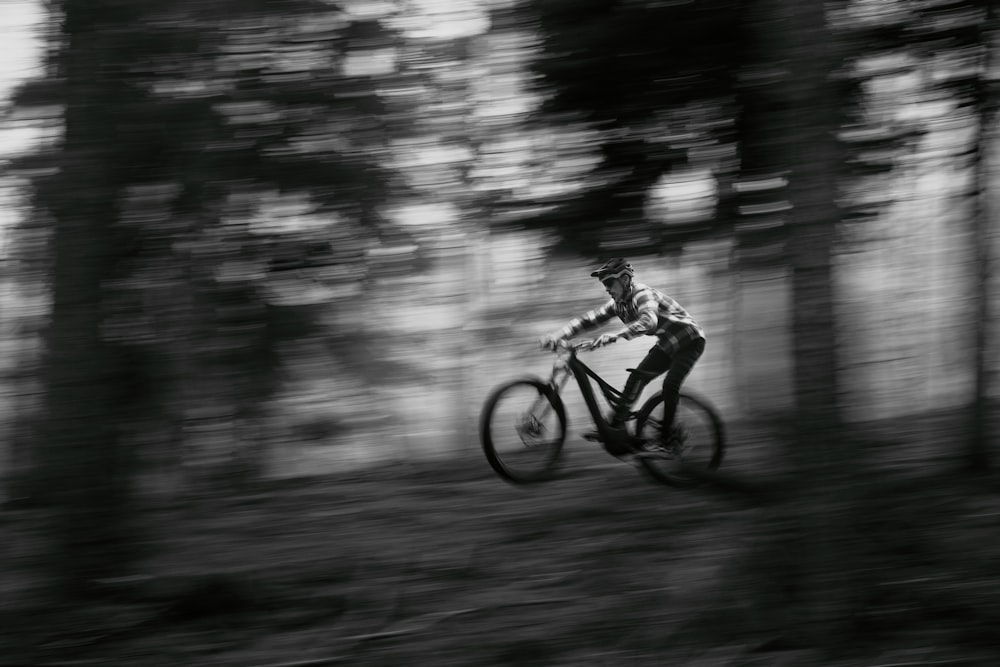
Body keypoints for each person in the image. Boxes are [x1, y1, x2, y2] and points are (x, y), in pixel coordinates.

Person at [541, 258, 705, 447]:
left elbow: (648, 321)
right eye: (604, 284)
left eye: (609, 283)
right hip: (668, 344)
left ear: (625, 280)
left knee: (670, 384)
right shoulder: (618, 304)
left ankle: (668, 437)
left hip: (690, 340)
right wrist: (557, 335)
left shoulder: (642, 294)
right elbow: (588, 320)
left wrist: (615, 335)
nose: (607, 288)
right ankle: (615, 427)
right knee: (636, 378)